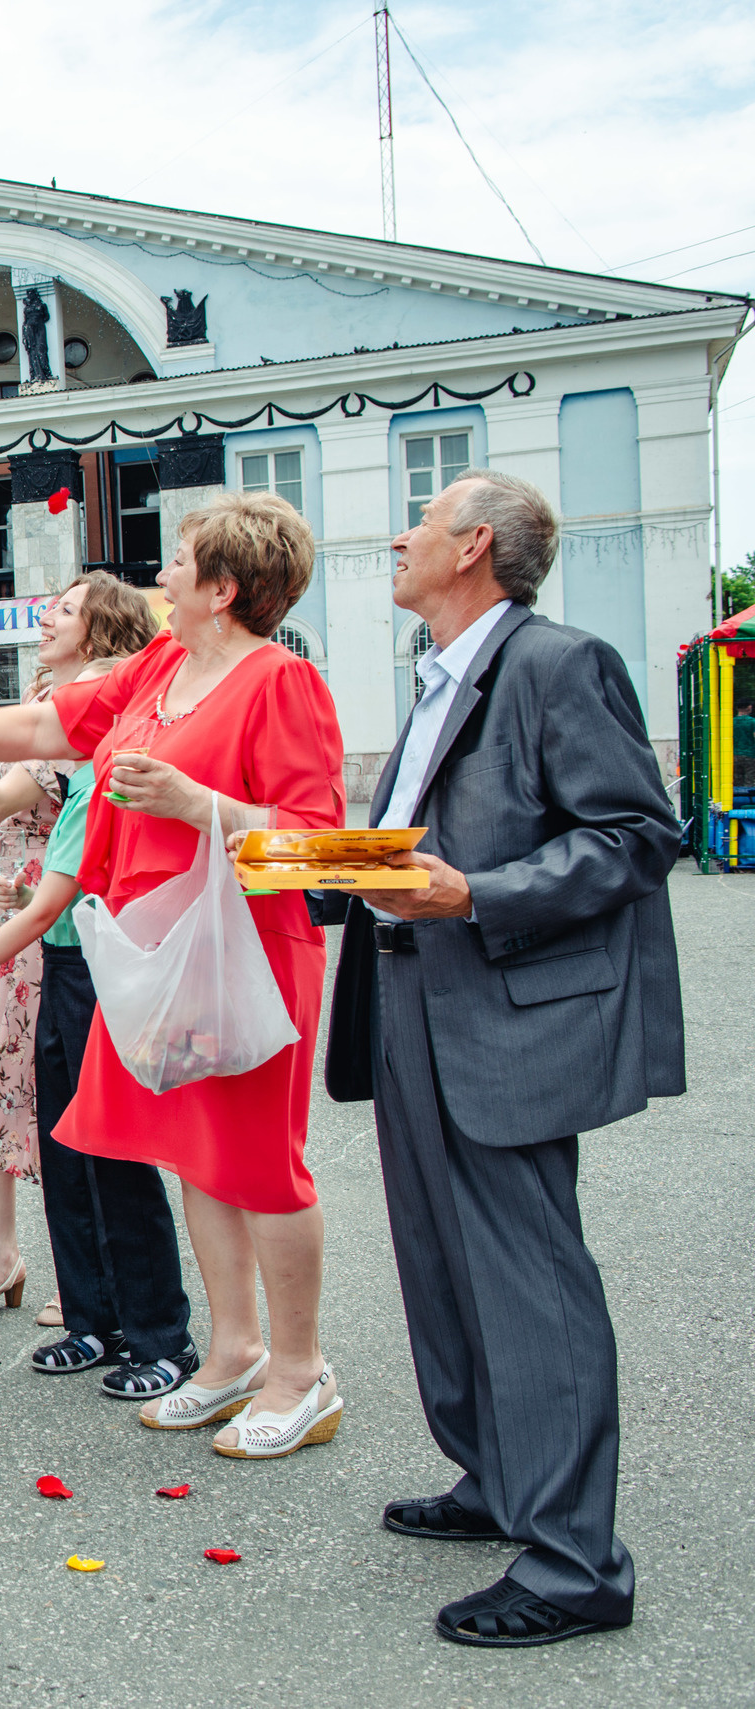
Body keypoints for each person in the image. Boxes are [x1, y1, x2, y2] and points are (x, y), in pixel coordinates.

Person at [0, 492, 346, 1457]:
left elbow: (321, 847)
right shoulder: (160, 667)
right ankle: (231, 1353)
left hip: (246, 950)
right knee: (195, 1150)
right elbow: (42, 730)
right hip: (150, 950)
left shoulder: (280, 682)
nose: (162, 576)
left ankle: (300, 1371)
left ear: (224, 587)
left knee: (262, 1162)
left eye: (181, 561)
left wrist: (203, 804)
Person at [318, 469, 681, 1648]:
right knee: (440, 1262)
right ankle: (494, 1479)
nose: (399, 537)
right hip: (414, 1000)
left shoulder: (554, 662)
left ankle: (578, 1564)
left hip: (504, 1005)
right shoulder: (438, 673)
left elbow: (634, 835)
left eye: (418, 523)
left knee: (529, 1281)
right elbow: (422, 837)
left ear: (473, 546)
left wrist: (477, 891)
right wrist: (323, 865)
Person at [0, 575, 195, 1398]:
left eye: (64, 609)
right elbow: (13, 808)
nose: (46, 617)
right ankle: (91, 1316)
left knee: (115, 1150)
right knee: (61, 1138)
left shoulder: (109, 743)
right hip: (55, 946)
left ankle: (158, 1331)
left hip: (85, 943)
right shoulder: (69, 730)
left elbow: (48, 869)